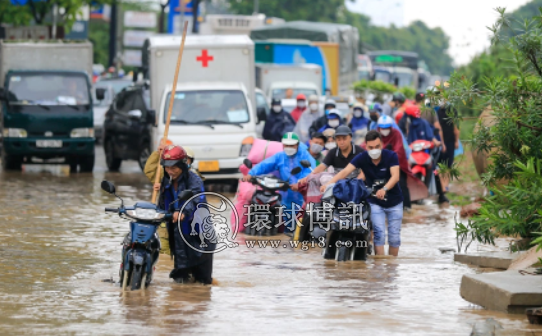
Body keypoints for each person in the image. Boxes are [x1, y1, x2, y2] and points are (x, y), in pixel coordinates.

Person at [323, 130, 403, 256]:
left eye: (377, 147)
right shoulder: (362, 157)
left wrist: (385, 189)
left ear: (381, 144)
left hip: (394, 202)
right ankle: (379, 268)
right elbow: (344, 172)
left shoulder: (391, 156)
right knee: (379, 234)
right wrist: (328, 185)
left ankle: (391, 268)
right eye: (371, 147)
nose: (374, 150)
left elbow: (395, 177)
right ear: (366, 146)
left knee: (394, 237)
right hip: (375, 201)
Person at [156, 145, 214, 284]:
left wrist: (182, 211)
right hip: (178, 235)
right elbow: (162, 206)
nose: (170, 171)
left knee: (202, 283)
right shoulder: (166, 181)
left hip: (198, 237)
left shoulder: (194, 180)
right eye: (167, 168)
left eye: (174, 168)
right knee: (180, 279)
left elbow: (194, 199)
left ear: (183, 166)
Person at [243, 132, 315, 233]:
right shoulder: (280, 156)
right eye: (286, 145)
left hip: (301, 193)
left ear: (297, 145)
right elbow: (266, 164)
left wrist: (300, 184)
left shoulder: (305, 156)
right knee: (287, 220)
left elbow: (310, 172)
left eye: (292, 145)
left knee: (299, 221)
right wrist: (251, 174)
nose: (289, 147)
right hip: (286, 190)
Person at [299, 126, 364, 184]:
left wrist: (357, 183)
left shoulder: (360, 151)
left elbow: (364, 171)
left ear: (350, 138)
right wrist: (306, 178)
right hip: (338, 185)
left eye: (344, 139)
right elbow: (321, 167)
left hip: (357, 185)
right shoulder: (333, 152)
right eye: (338, 139)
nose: (341, 142)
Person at [376, 115, 412, 210]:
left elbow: (399, 149)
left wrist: (388, 156)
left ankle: (407, 207)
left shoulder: (396, 134)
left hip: (397, 165)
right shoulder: (375, 135)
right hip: (380, 166)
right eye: (382, 128)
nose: (385, 130)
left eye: (387, 128)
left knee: (402, 184)